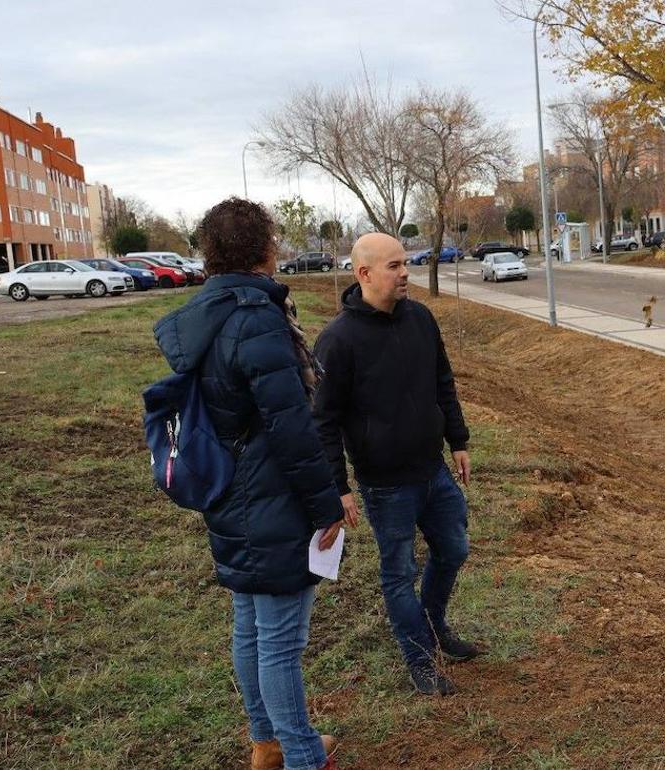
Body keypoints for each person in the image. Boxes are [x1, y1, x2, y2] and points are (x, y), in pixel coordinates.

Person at [153, 197, 354, 770]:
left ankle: (266, 743)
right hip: (269, 494)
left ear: (210, 252)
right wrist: (325, 505)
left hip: (229, 488)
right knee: (281, 638)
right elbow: (292, 428)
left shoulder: (207, 313)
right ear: (266, 248)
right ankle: (299, 754)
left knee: (251, 622)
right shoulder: (256, 318)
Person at [313, 232, 478, 696]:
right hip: (386, 486)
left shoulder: (421, 319)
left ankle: (433, 624)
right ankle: (420, 659)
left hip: (433, 469)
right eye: (394, 266)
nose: (406, 272)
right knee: (399, 573)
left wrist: (458, 440)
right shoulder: (337, 341)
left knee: (454, 550)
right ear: (363, 273)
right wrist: (338, 486)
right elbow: (322, 420)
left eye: (405, 263)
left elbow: (443, 381)